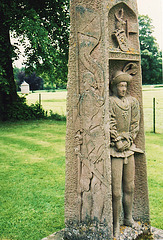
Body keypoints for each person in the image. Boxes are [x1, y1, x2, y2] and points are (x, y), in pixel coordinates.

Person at [109, 70, 142, 238]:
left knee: (129, 187)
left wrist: (128, 140)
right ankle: (115, 223)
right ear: (114, 87)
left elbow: (135, 123)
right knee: (116, 191)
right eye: (120, 85)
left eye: (125, 86)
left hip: (128, 148)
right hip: (114, 150)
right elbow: (108, 123)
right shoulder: (109, 102)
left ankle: (128, 218)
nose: (123, 88)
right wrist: (116, 141)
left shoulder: (132, 102)